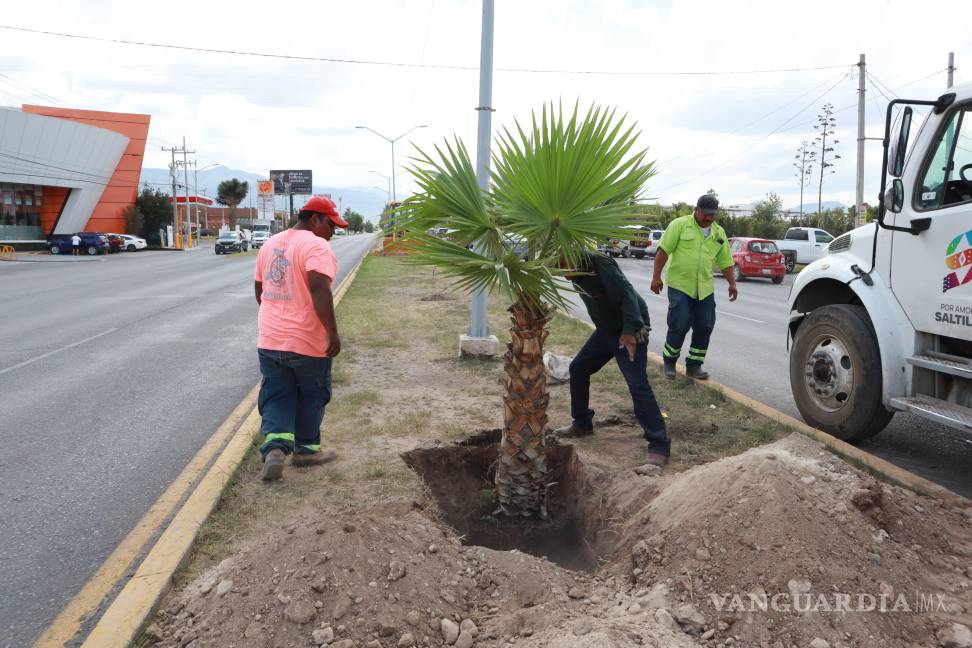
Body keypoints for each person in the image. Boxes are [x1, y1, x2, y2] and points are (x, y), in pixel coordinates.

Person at [253, 196, 349, 481]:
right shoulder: (316, 245)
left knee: (277, 394)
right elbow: (319, 287)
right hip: (307, 341)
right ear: (316, 219)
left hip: (270, 340)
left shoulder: (270, 243)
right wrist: (331, 332)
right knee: (312, 394)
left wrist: (279, 316)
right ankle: (306, 451)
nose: (333, 232)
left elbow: (260, 290)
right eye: (331, 225)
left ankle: (275, 450)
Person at [555, 252, 671, 465]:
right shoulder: (577, 271)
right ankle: (582, 423)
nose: (562, 273)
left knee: (637, 384)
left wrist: (630, 330)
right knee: (578, 368)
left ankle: (659, 445)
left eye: (563, 265)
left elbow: (627, 293)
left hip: (631, 329)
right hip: (607, 330)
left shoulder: (599, 263)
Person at [651, 194, 737, 381]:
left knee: (705, 325)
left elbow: (725, 261)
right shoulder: (680, 225)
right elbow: (663, 250)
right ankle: (670, 362)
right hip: (680, 284)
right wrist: (656, 277)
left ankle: (694, 366)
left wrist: (732, 283)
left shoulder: (718, 233)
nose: (709, 218)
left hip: (705, 288)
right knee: (679, 322)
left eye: (712, 215)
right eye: (705, 214)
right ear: (696, 210)